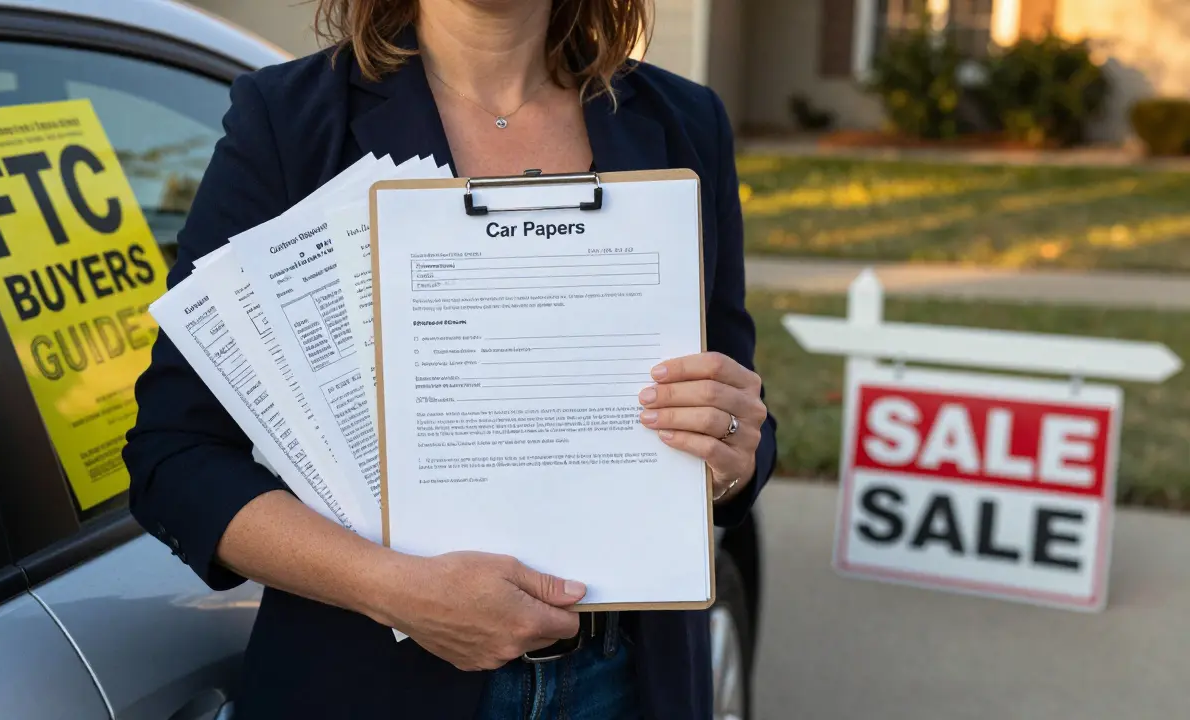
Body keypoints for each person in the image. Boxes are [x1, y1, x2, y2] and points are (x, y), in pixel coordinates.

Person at [122, 0, 778, 717]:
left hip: (626, 679)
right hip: (374, 682)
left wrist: (731, 451)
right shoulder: (289, 121)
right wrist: (392, 588)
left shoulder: (685, 121)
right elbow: (176, 454)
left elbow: (742, 418)